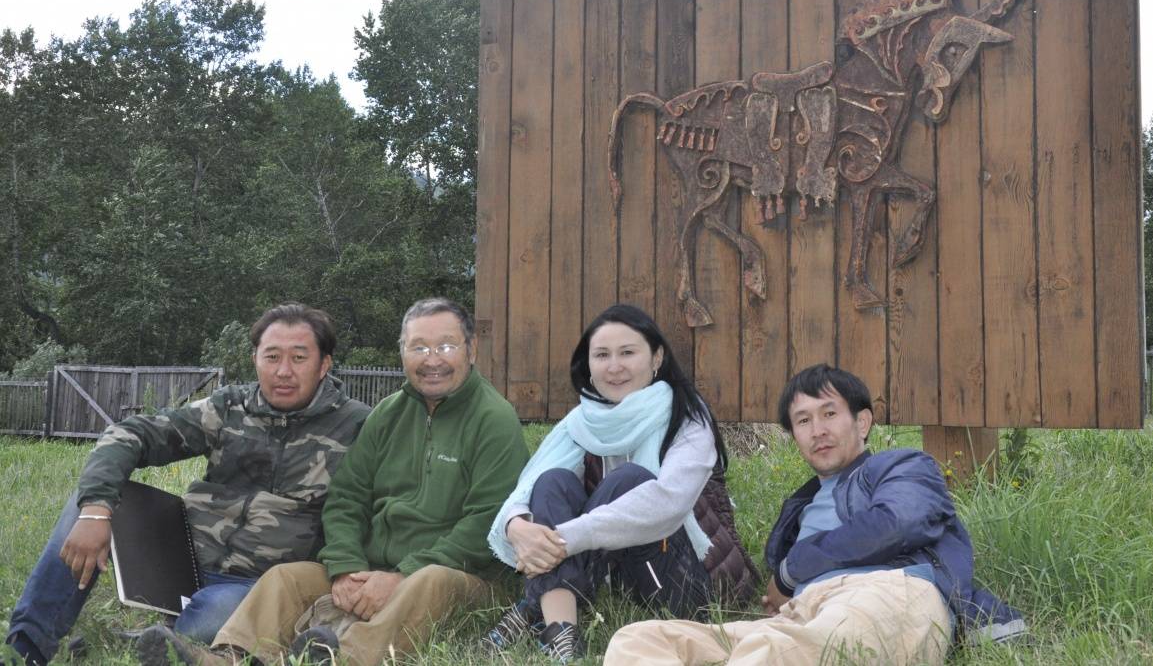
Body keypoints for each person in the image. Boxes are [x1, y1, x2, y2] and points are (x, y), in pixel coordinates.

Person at [137, 297, 529, 666]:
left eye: (445, 347)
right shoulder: (387, 416)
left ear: (471, 350)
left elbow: (485, 525)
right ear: (403, 353)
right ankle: (230, 655)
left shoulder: (494, 420)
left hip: (459, 576)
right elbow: (346, 499)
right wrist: (345, 567)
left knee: (430, 581)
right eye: (418, 348)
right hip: (371, 570)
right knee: (285, 577)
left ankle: (344, 658)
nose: (432, 361)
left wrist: (401, 576)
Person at [3, 303, 371, 666]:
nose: (283, 371)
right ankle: (26, 647)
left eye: (299, 358)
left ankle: (149, 644)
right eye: (272, 357)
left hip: (258, 583)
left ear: (324, 364)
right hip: (180, 559)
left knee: (205, 624)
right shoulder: (230, 407)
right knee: (86, 510)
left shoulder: (359, 425)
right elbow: (130, 434)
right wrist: (96, 510)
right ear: (255, 358)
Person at [603, 363, 1025, 666]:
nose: (817, 430)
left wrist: (790, 570)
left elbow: (898, 523)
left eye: (829, 414)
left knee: (770, 654)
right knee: (640, 641)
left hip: (891, 594)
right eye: (803, 420)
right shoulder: (801, 508)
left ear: (862, 423)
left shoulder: (903, 466)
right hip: (805, 615)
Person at [481, 304, 758, 664]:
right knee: (552, 482)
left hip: (690, 581)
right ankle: (562, 634)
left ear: (656, 357)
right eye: (602, 355)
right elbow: (529, 486)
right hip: (616, 578)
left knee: (630, 482)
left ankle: (533, 606)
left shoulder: (688, 415)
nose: (614, 366)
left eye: (628, 352)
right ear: (589, 367)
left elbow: (667, 503)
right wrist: (517, 526)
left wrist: (559, 542)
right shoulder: (581, 422)